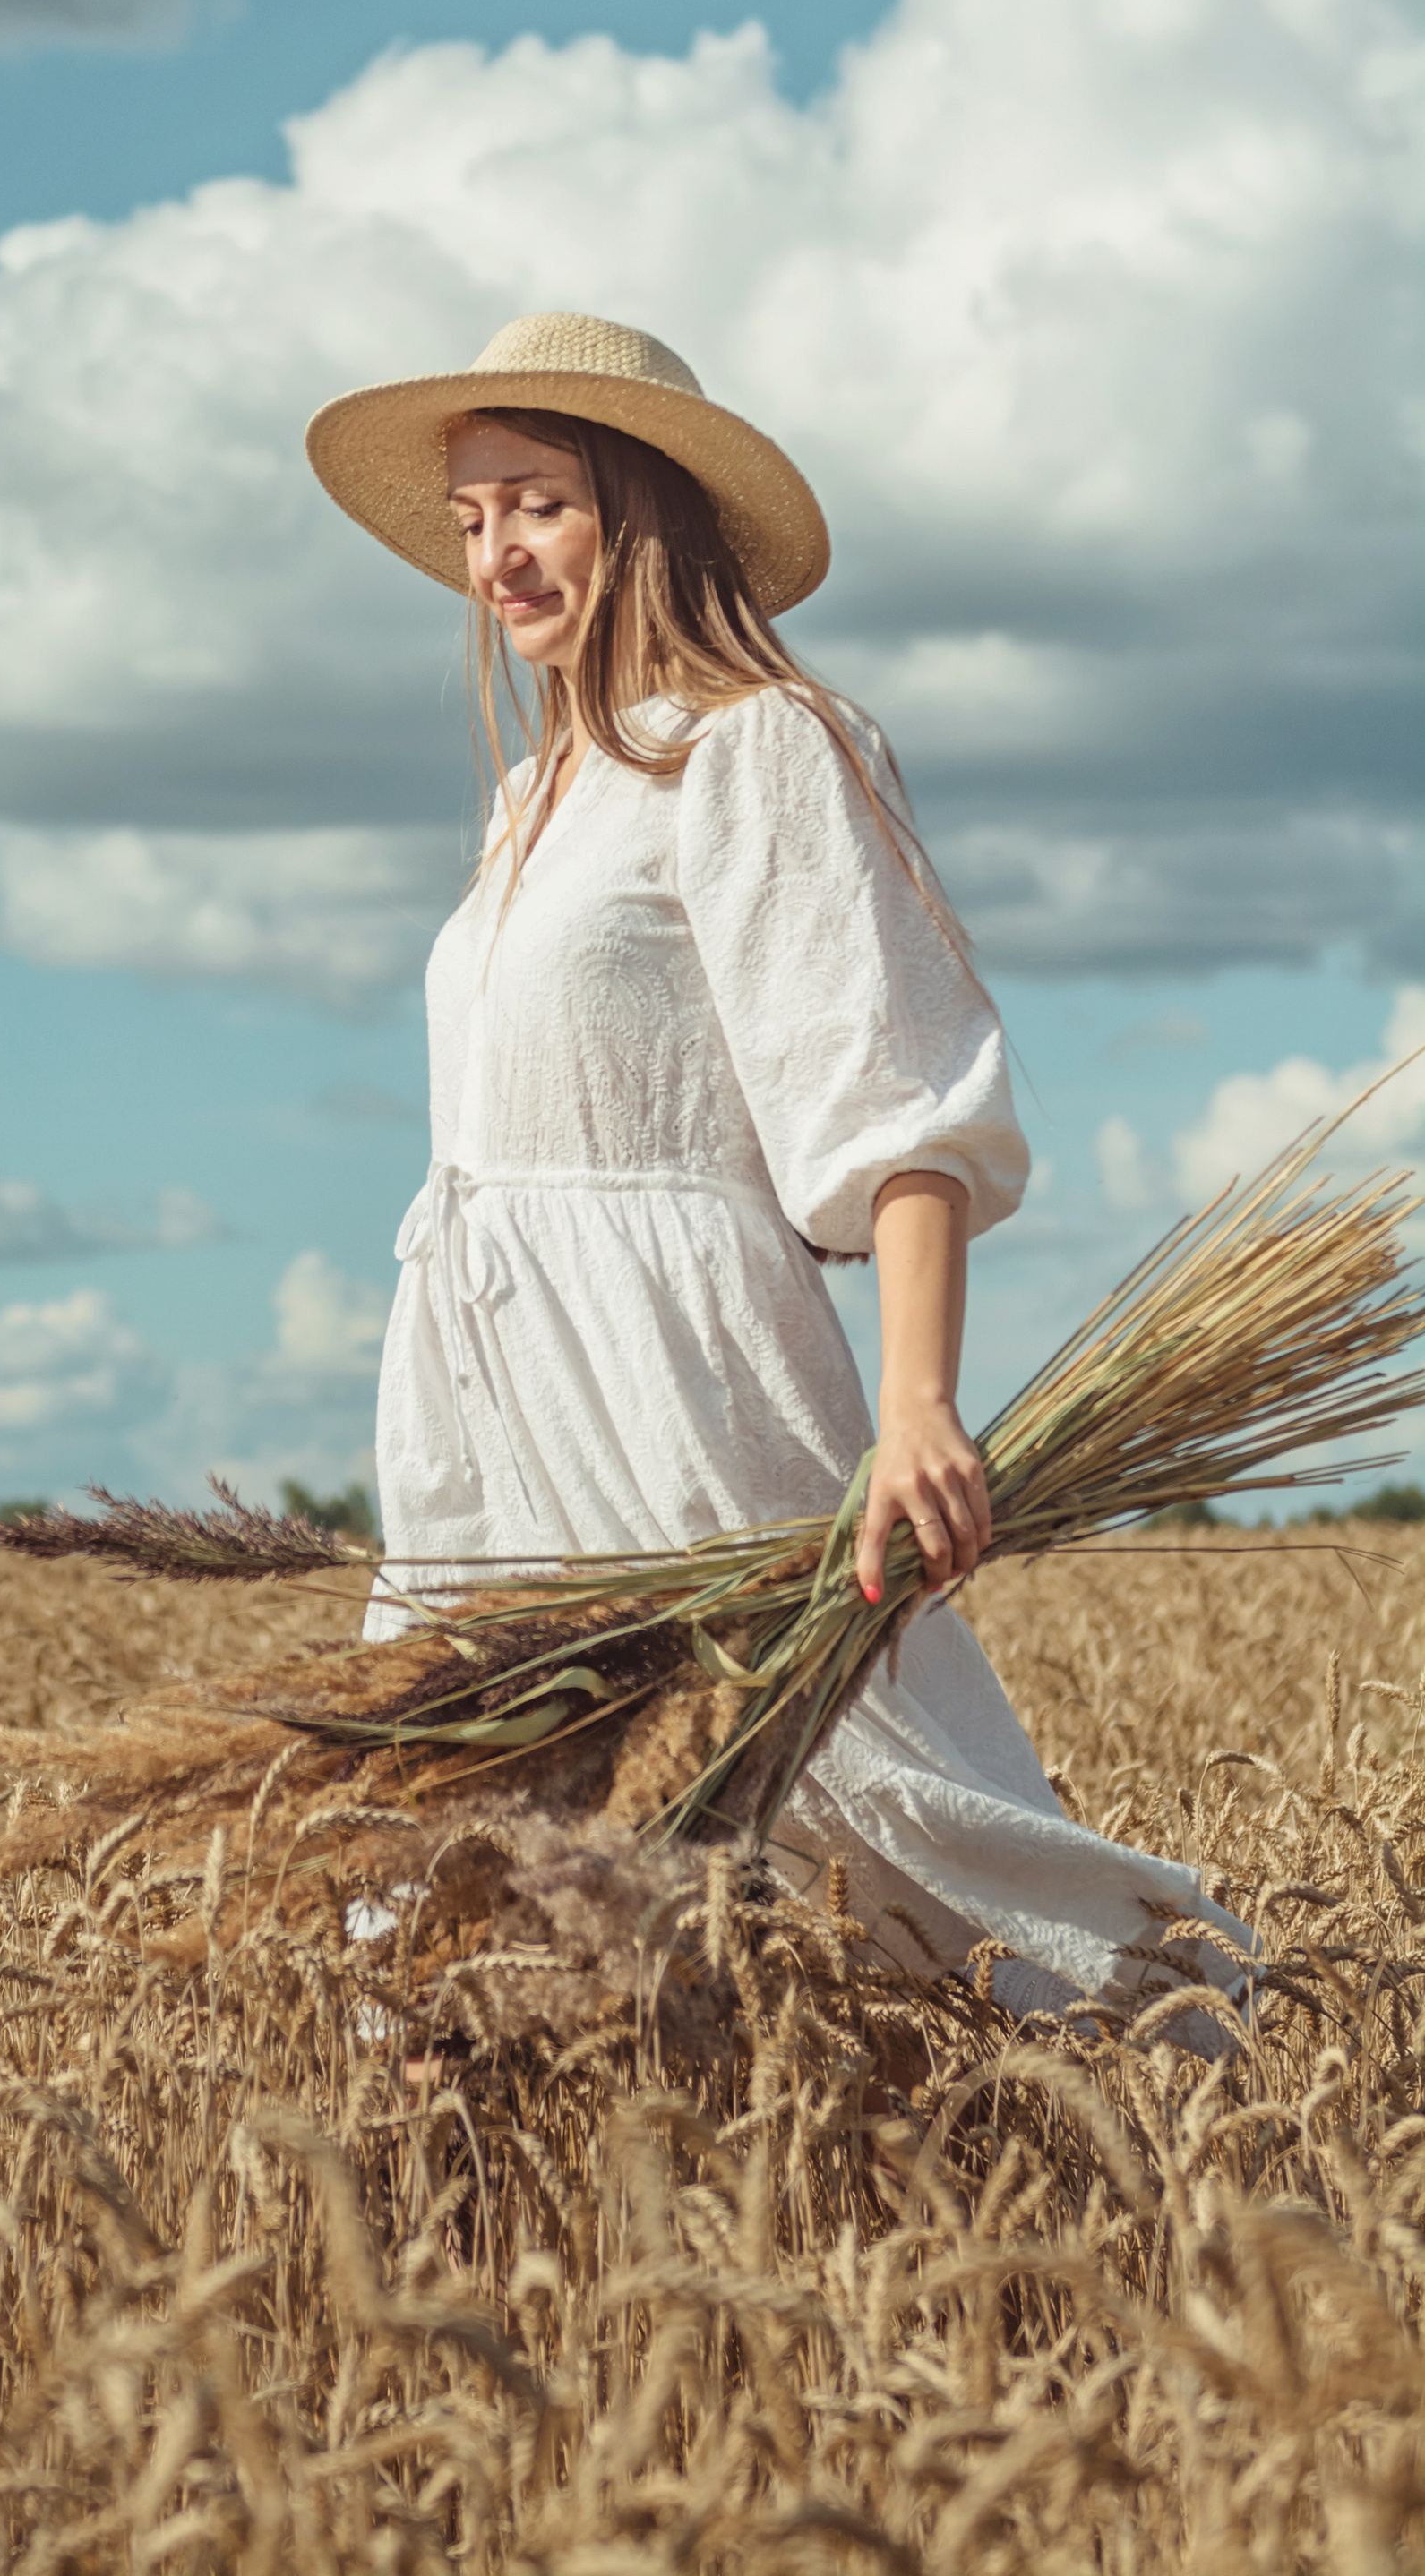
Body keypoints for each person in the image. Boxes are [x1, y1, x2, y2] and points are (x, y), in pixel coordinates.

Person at [305, 309, 1248, 2024]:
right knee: (450, 1880)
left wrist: (916, 1406)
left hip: (670, 1379)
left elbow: (896, 1102)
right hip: (481, 1386)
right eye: (468, 522)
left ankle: (1154, 2078)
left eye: (537, 505)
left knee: (820, 1823)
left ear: (643, 509)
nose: (496, 557)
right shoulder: (530, 797)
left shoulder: (759, 745)